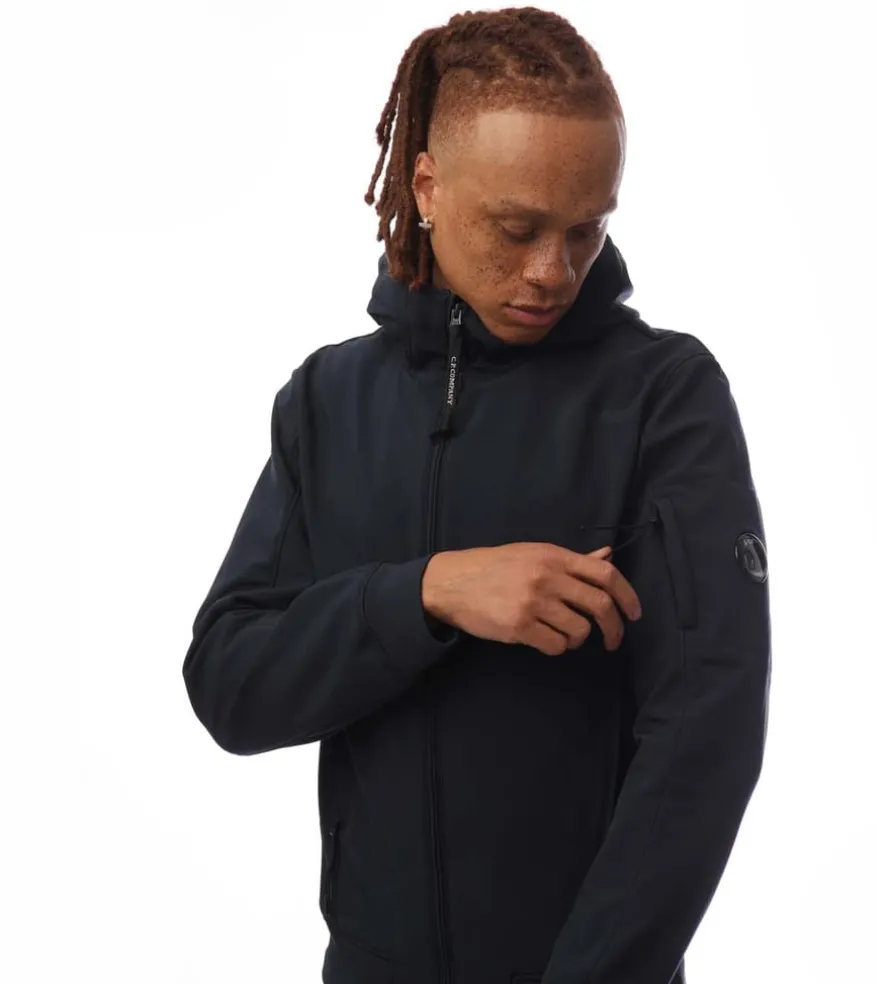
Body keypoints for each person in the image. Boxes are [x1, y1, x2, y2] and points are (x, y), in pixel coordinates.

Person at [182, 6, 772, 983]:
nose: (553, 271)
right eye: (517, 228)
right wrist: (427, 593)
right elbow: (230, 684)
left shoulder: (664, 397)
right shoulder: (328, 401)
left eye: (587, 230)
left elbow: (708, 734)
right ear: (426, 186)